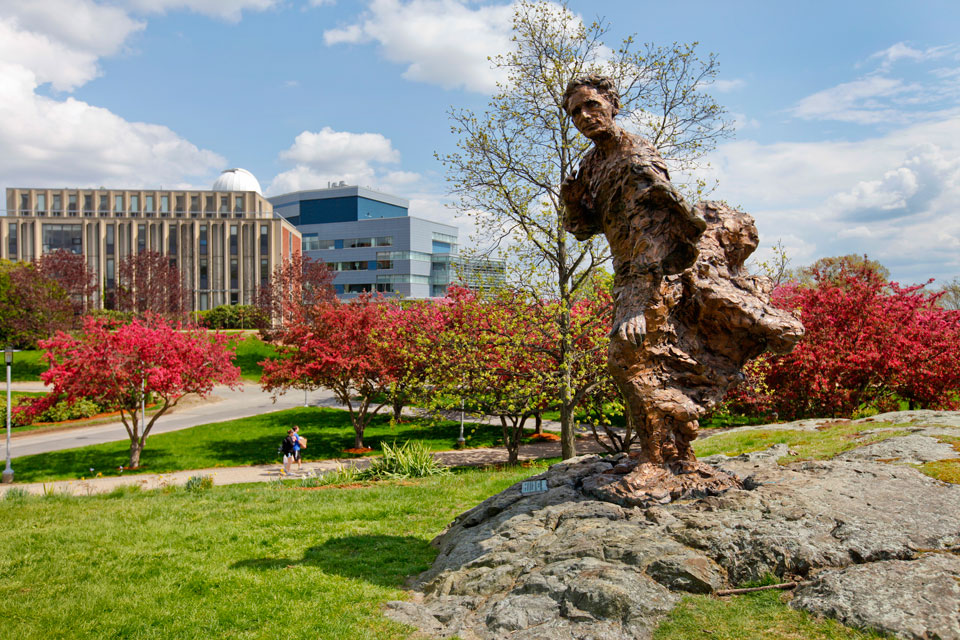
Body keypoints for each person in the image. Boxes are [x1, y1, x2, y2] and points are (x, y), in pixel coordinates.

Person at [560, 74, 706, 464]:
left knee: (629, 357)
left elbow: (655, 228)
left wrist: (639, 303)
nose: (585, 116)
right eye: (576, 112)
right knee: (639, 361)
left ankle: (663, 455)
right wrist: (573, 202)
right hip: (624, 273)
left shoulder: (635, 156)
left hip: (652, 273)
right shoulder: (591, 164)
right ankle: (665, 451)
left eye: (592, 105)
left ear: (613, 104)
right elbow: (584, 229)